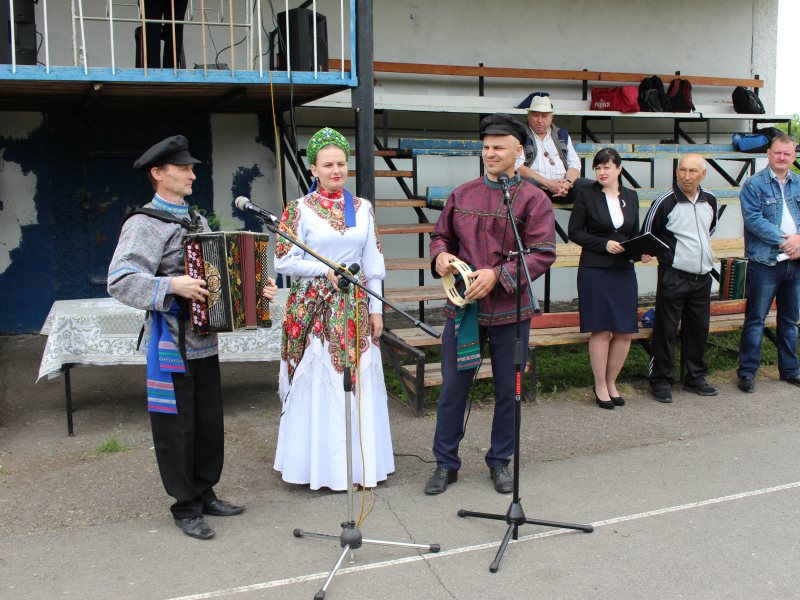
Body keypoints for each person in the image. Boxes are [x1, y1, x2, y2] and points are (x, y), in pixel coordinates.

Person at [108, 135, 278, 540]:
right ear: (157, 174)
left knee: (207, 422)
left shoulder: (196, 220)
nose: (191, 173)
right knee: (175, 427)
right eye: (183, 168)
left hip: (205, 341)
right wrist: (171, 286)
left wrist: (257, 289)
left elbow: (221, 272)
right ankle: (184, 506)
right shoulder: (144, 224)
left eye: (192, 167)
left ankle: (204, 492)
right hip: (171, 345)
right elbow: (120, 280)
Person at [425, 113, 556, 495]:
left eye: (499, 147)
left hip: (512, 314)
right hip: (465, 310)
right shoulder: (462, 194)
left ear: (519, 151)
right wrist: (440, 258)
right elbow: (440, 236)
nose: (490, 153)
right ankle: (445, 464)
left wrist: (498, 274)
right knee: (453, 389)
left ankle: (500, 461)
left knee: (509, 391)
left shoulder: (534, 199)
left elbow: (543, 253)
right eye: (486, 147)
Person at [273, 127, 393, 491]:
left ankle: (358, 468)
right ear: (313, 169)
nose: (336, 170)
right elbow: (283, 260)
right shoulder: (298, 210)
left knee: (356, 380)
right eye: (328, 164)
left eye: (341, 163)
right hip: (314, 306)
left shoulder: (363, 208)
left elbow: (372, 265)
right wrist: (324, 270)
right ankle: (318, 468)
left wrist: (376, 310)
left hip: (354, 305)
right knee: (320, 378)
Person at [568, 148, 644, 410]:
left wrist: (641, 252)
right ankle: (599, 384)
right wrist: (604, 244)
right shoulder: (586, 195)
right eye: (598, 168)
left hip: (623, 270)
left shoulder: (631, 197)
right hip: (595, 269)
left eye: (606, 167)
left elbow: (634, 233)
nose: (601, 172)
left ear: (619, 169)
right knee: (601, 329)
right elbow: (574, 232)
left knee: (624, 331)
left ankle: (612, 382)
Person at [640, 154, 718, 403]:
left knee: (698, 329)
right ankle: (661, 380)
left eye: (693, 171)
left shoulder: (711, 200)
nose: (686, 176)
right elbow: (648, 233)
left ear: (702, 174)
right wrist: (669, 256)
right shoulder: (665, 201)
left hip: (703, 276)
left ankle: (695, 378)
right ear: (677, 173)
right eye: (682, 170)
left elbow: (709, 231)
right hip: (674, 275)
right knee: (665, 329)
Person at [737, 134, 800, 392]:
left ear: (794, 155)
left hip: (795, 262)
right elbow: (753, 220)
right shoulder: (754, 184)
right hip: (766, 262)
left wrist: (799, 241)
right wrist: (787, 240)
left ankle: (789, 370)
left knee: (790, 320)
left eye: (787, 153)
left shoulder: (799, 183)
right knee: (755, 319)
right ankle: (748, 373)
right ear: (769, 153)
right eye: (777, 153)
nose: (782, 157)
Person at [515, 95, 592, 203]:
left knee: (592, 187)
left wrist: (568, 183)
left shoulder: (561, 134)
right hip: (537, 188)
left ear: (552, 117)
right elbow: (518, 167)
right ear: (528, 116)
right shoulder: (520, 135)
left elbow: (574, 164)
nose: (540, 120)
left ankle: (579, 220)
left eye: (545, 116)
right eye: (535, 115)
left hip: (563, 188)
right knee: (526, 185)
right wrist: (549, 184)